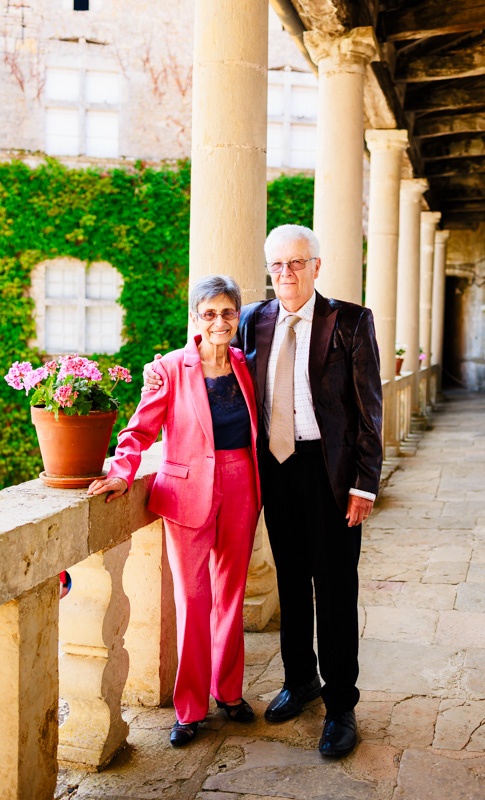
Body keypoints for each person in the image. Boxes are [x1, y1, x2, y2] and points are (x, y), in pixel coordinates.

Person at [144, 224, 383, 757]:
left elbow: (370, 408)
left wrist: (365, 484)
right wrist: (158, 372)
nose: (286, 274)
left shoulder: (350, 320)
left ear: (317, 266)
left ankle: (341, 705)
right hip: (274, 470)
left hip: (330, 472)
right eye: (276, 266)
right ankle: (300, 682)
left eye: (297, 263)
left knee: (337, 588)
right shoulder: (254, 318)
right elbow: (209, 352)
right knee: (293, 582)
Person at [88, 275, 261, 748]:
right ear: (195, 318)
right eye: (209, 313)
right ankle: (189, 708)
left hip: (243, 483)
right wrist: (123, 471)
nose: (219, 321)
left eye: (228, 312)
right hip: (188, 493)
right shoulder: (168, 368)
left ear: (237, 316)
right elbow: (139, 431)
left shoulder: (246, 364)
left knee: (232, 595)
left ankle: (228, 693)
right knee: (194, 600)